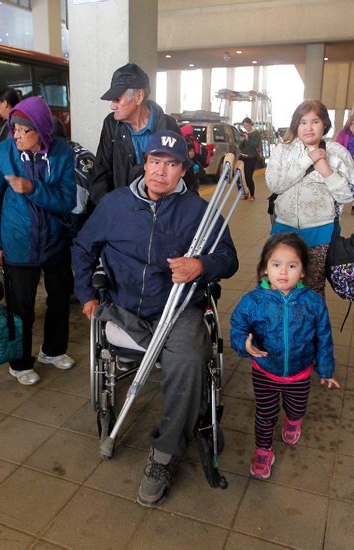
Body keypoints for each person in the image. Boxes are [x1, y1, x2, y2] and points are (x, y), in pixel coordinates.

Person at [72, 130, 238, 507]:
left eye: (171, 164)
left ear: (182, 170)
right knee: (182, 369)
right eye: (155, 162)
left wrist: (201, 265)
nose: (161, 171)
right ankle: (187, 400)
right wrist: (85, 294)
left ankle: (163, 455)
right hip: (125, 308)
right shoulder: (114, 205)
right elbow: (83, 247)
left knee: (191, 357)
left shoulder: (198, 211)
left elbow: (229, 259)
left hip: (178, 310)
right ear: (144, 164)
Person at [230, 232, 339, 480]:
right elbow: (238, 327)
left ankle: (293, 421)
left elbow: (323, 336)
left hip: (299, 374)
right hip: (265, 371)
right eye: (275, 264)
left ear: (302, 271)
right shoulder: (253, 301)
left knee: (296, 407)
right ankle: (263, 450)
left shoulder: (312, 302)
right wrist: (243, 344)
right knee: (265, 414)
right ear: (265, 268)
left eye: (292, 265)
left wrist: (326, 369)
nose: (283, 272)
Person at [0, 96, 76, 386]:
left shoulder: (62, 153)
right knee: (21, 306)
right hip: (18, 242)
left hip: (55, 241)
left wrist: (32, 188)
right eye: (15, 129)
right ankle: (20, 362)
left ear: (42, 131)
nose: (18, 136)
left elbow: (67, 200)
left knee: (59, 300)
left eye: (25, 131)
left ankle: (52, 350)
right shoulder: (3, 153)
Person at [265, 99, 354, 296]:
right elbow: (274, 184)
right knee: (279, 288)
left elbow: (350, 195)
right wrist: (307, 160)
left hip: (321, 232)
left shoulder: (337, 152)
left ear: (324, 124)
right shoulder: (284, 150)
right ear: (296, 125)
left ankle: (312, 327)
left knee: (313, 290)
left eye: (315, 121)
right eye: (303, 122)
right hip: (284, 230)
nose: (308, 127)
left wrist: (326, 171)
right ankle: (282, 327)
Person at [90, 63, 181, 205]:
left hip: (158, 214)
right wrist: (110, 211)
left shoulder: (168, 126)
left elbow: (183, 177)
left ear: (138, 96)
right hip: (121, 211)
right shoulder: (111, 125)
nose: (112, 106)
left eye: (117, 99)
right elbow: (100, 175)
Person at [239, 117, 262, 201]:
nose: (245, 127)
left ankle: (252, 194)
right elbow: (240, 147)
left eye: (246, 125)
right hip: (242, 157)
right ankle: (244, 193)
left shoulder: (256, 133)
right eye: (244, 126)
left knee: (248, 176)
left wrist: (248, 139)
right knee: (242, 177)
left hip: (251, 158)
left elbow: (255, 145)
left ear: (250, 124)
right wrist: (242, 140)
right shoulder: (243, 133)